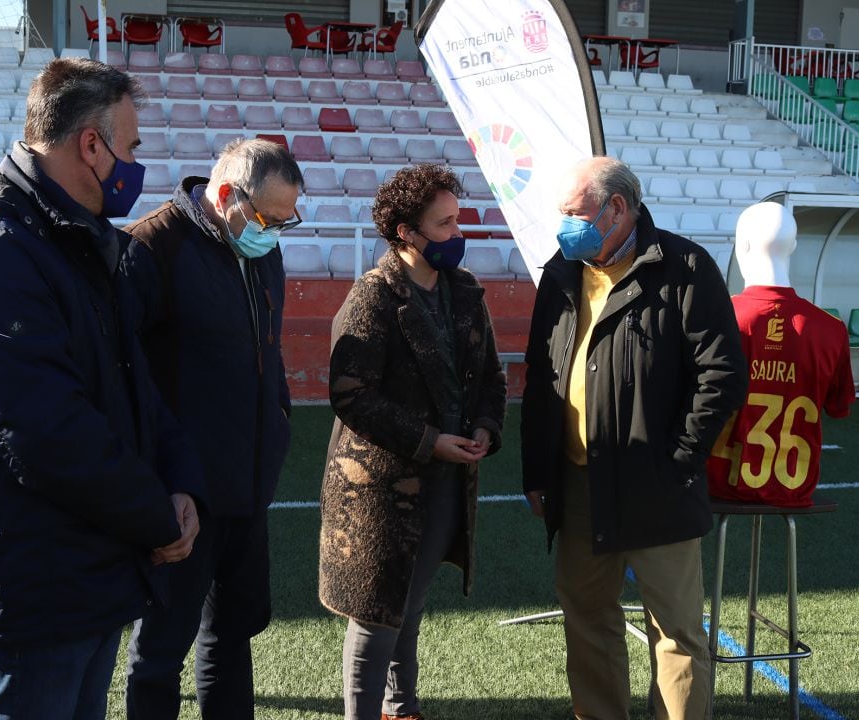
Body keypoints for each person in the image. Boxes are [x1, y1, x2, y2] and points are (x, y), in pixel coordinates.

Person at [0, 58, 202, 720]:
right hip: (36, 587)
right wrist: (155, 518)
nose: (135, 164)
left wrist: (179, 480)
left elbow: (133, 382)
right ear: (90, 144)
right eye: (129, 148)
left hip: (92, 570)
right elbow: (48, 432)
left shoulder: (78, 239)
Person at [520, 156, 747, 720]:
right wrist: (537, 470)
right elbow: (540, 372)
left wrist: (678, 461)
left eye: (573, 213)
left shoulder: (686, 267)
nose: (563, 225)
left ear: (616, 208)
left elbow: (722, 375)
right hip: (577, 485)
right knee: (588, 622)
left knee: (676, 634)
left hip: (660, 486)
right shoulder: (560, 272)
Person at [120, 138, 303, 719]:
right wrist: (165, 480)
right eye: (270, 218)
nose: (275, 232)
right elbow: (123, 379)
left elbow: (266, 352)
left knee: (232, 635)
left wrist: (277, 418)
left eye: (286, 220)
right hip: (182, 494)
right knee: (160, 652)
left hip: (247, 488)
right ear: (226, 196)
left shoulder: (261, 249)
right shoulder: (150, 248)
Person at [319, 164, 508, 720]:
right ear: (406, 231)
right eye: (444, 223)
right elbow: (351, 396)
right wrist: (430, 441)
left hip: (447, 481)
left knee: (410, 603)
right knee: (377, 616)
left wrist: (484, 429)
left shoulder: (466, 292)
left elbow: (492, 378)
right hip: (380, 493)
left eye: (457, 219)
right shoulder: (372, 298)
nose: (457, 233)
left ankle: (401, 710)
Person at [707, 202, 855, 506]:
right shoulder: (831, 328)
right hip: (793, 487)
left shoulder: (712, 317)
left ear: (742, 245)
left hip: (717, 484)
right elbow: (838, 407)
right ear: (794, 247)